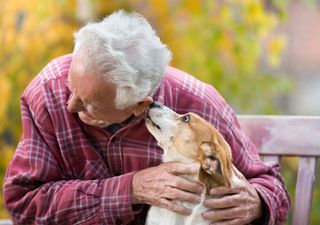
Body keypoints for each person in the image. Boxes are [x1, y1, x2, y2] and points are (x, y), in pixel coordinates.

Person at [3, 10, 290, 225]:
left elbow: (269, 186)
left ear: (141, 105)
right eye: (71, 84)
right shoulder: (48, 91)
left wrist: (258, 203)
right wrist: (131, 189)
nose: (69, 105)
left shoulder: (196, 106)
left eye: (89, 104)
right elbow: (23, 203)